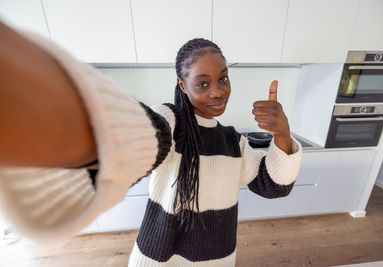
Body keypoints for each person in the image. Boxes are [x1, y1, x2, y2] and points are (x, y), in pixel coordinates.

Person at [0, 22, 302, 266]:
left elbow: (274, 187)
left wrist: (283, 134)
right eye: (202, 83)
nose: (217, 92)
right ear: (182, 86)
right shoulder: (172, 121)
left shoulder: (232, 141)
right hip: (160, 261)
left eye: (223, 79)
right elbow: (141, 135)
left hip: (219, 260)